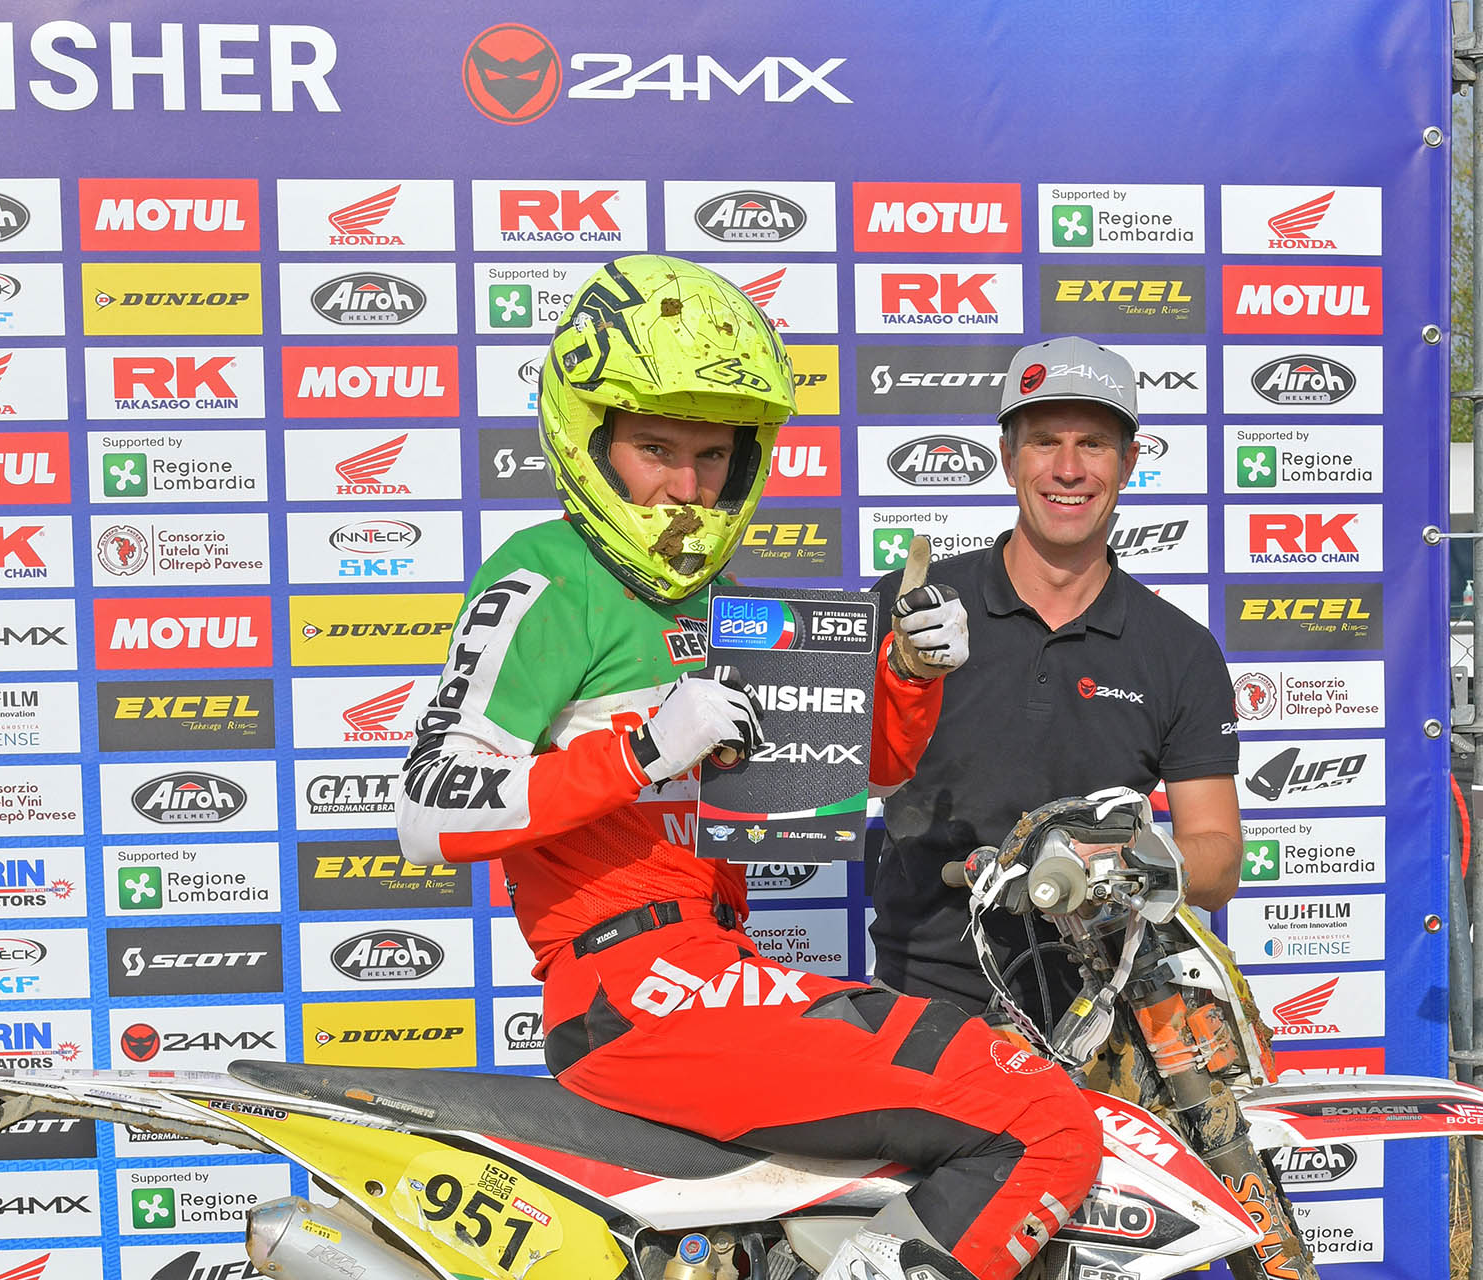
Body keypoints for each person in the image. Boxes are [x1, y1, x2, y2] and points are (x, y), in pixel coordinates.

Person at [398, 256, 1099, 1280]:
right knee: (1041, 1119)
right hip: (630, 990)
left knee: (984, 1101)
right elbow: (426, 810)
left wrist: (906, 674)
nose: (687, 488)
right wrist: (638, 749)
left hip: (714, 970)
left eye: (712, 456)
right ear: (588, 438)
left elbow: (846, 772)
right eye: (655, 449)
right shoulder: (547, 578)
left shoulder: (724, 603)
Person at [870, 336, 1243, 1023]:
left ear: (1129, 463)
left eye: (1093, 445)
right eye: (1044, 442)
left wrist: (1118, 860)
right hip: (924, 1003)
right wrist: (899, 671)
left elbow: (1218, 862)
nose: (1068, 470)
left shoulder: (1179, 650)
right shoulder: (912, 609)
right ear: (1008, 457)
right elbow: (830, 782)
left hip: (1107, 1013)